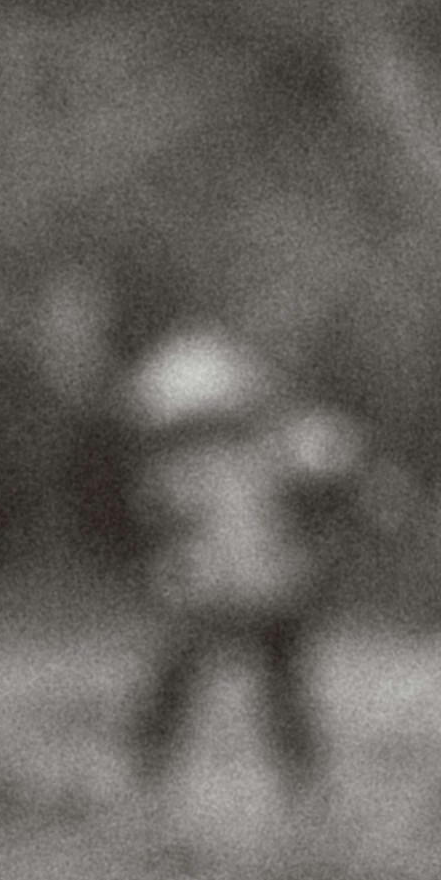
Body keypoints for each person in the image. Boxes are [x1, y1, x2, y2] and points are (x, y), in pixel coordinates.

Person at [116, 327, 368, 809]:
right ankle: (149, 777)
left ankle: (301, 786)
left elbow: (328, 465)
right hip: (228, 586)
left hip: (250, 586)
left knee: (270, 691)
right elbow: (161, 521)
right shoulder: (192, 465)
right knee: (191, 684)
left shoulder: (261, 450)